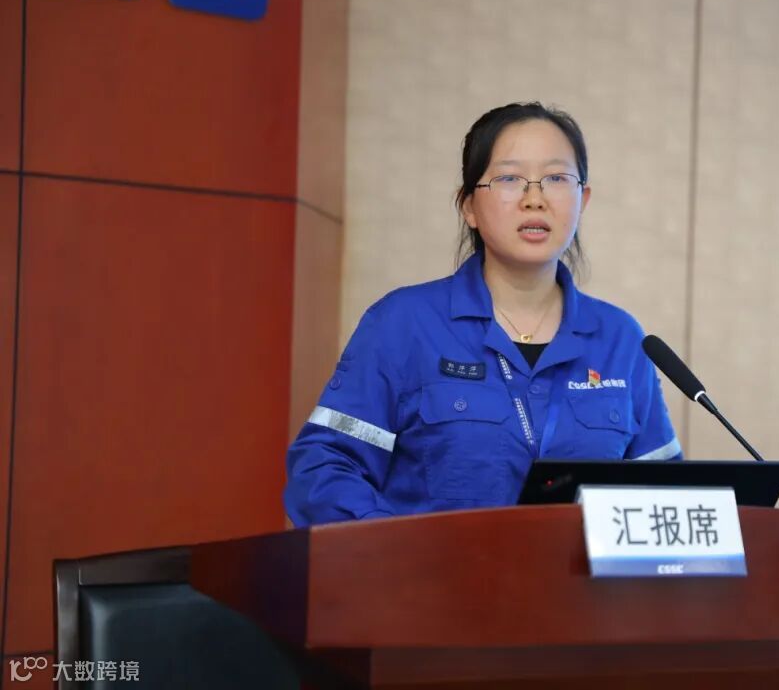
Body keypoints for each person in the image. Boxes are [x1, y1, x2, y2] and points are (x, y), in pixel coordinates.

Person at [285, 102, 682, 526]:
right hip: (433, 570)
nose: (535, 199)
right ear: (469, 206)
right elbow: (323, 470)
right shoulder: (403, 324)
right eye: (509, 179)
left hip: (576, 572)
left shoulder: (620, 339)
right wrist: (400, 549)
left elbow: (666, 494)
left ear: (582, 200)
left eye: (556, 179)